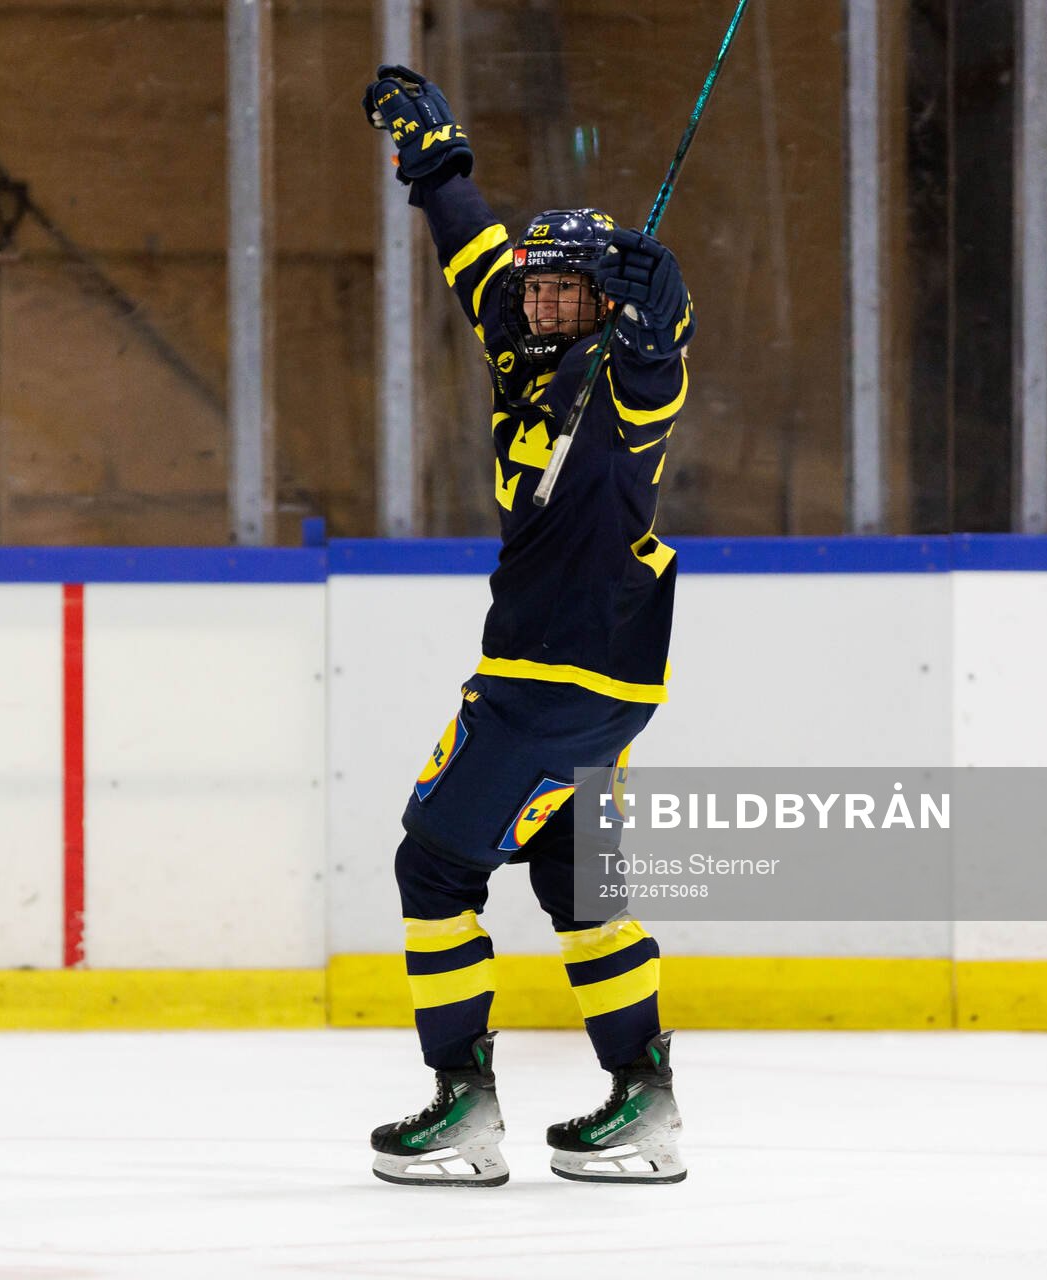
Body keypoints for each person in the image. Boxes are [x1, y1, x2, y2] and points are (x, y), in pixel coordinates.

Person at [361, 65, 690, 1187]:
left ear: (606, 304)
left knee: (432, 866)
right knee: (583, 887)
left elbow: (659, 375)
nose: (543, 306)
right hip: (610, 684)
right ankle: (645, 1105)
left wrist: (662, 313)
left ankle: (462, 1107)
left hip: (545, 677)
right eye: (538, 294)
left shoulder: (618, 384)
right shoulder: (524, 333)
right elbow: (478, 260)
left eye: (567, 296)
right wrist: (438, 164)